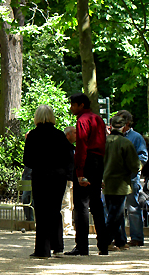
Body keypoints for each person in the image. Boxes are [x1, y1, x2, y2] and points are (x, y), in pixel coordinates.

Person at [23, 105, 74, 258]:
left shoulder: (33, 135)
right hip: (58, 176)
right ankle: (58, 246)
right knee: (55, 210)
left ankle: (43, 249)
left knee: (41, 211)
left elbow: (27, 160)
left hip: (41, 175)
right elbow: (69, 156)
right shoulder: (60, 135)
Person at [65, 93, 108, 256]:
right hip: (98, 161)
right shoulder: (98, 119)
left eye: (73, 105)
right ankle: (103, 244)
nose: (72, 108)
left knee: (81, 204)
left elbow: (81, 145)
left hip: (88, 161)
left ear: (81, 105)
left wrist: (80, 172)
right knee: (97, 203)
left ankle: (82, 245)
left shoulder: (82, 120)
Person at [103, 114, 142, 250]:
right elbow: (135, 165)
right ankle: (105, 242)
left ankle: (120, 241)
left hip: (106, 183)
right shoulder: (126, 143)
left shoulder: (104, 142)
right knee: (116, 214)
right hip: (121, 184)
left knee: (113, 213)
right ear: (124, 126)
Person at [116, 110, 148, 246]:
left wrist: (132, 168)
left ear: (128, 122)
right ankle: (120, 238)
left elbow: (143, 157)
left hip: (131, 178)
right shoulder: (115, 137)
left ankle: (137, 238)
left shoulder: (136, 137)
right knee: (117, 209)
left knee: (133, 207)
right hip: (116, 179)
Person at [61, 126, 76, 236]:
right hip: (66, 179)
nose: (77, 135)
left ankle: (68, 226)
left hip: (72, 179)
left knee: (70, 205)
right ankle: (66, 227)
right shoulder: (64, 148)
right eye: (75, 133)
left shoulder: (73, 148)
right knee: (66, 204)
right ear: (68, 135)